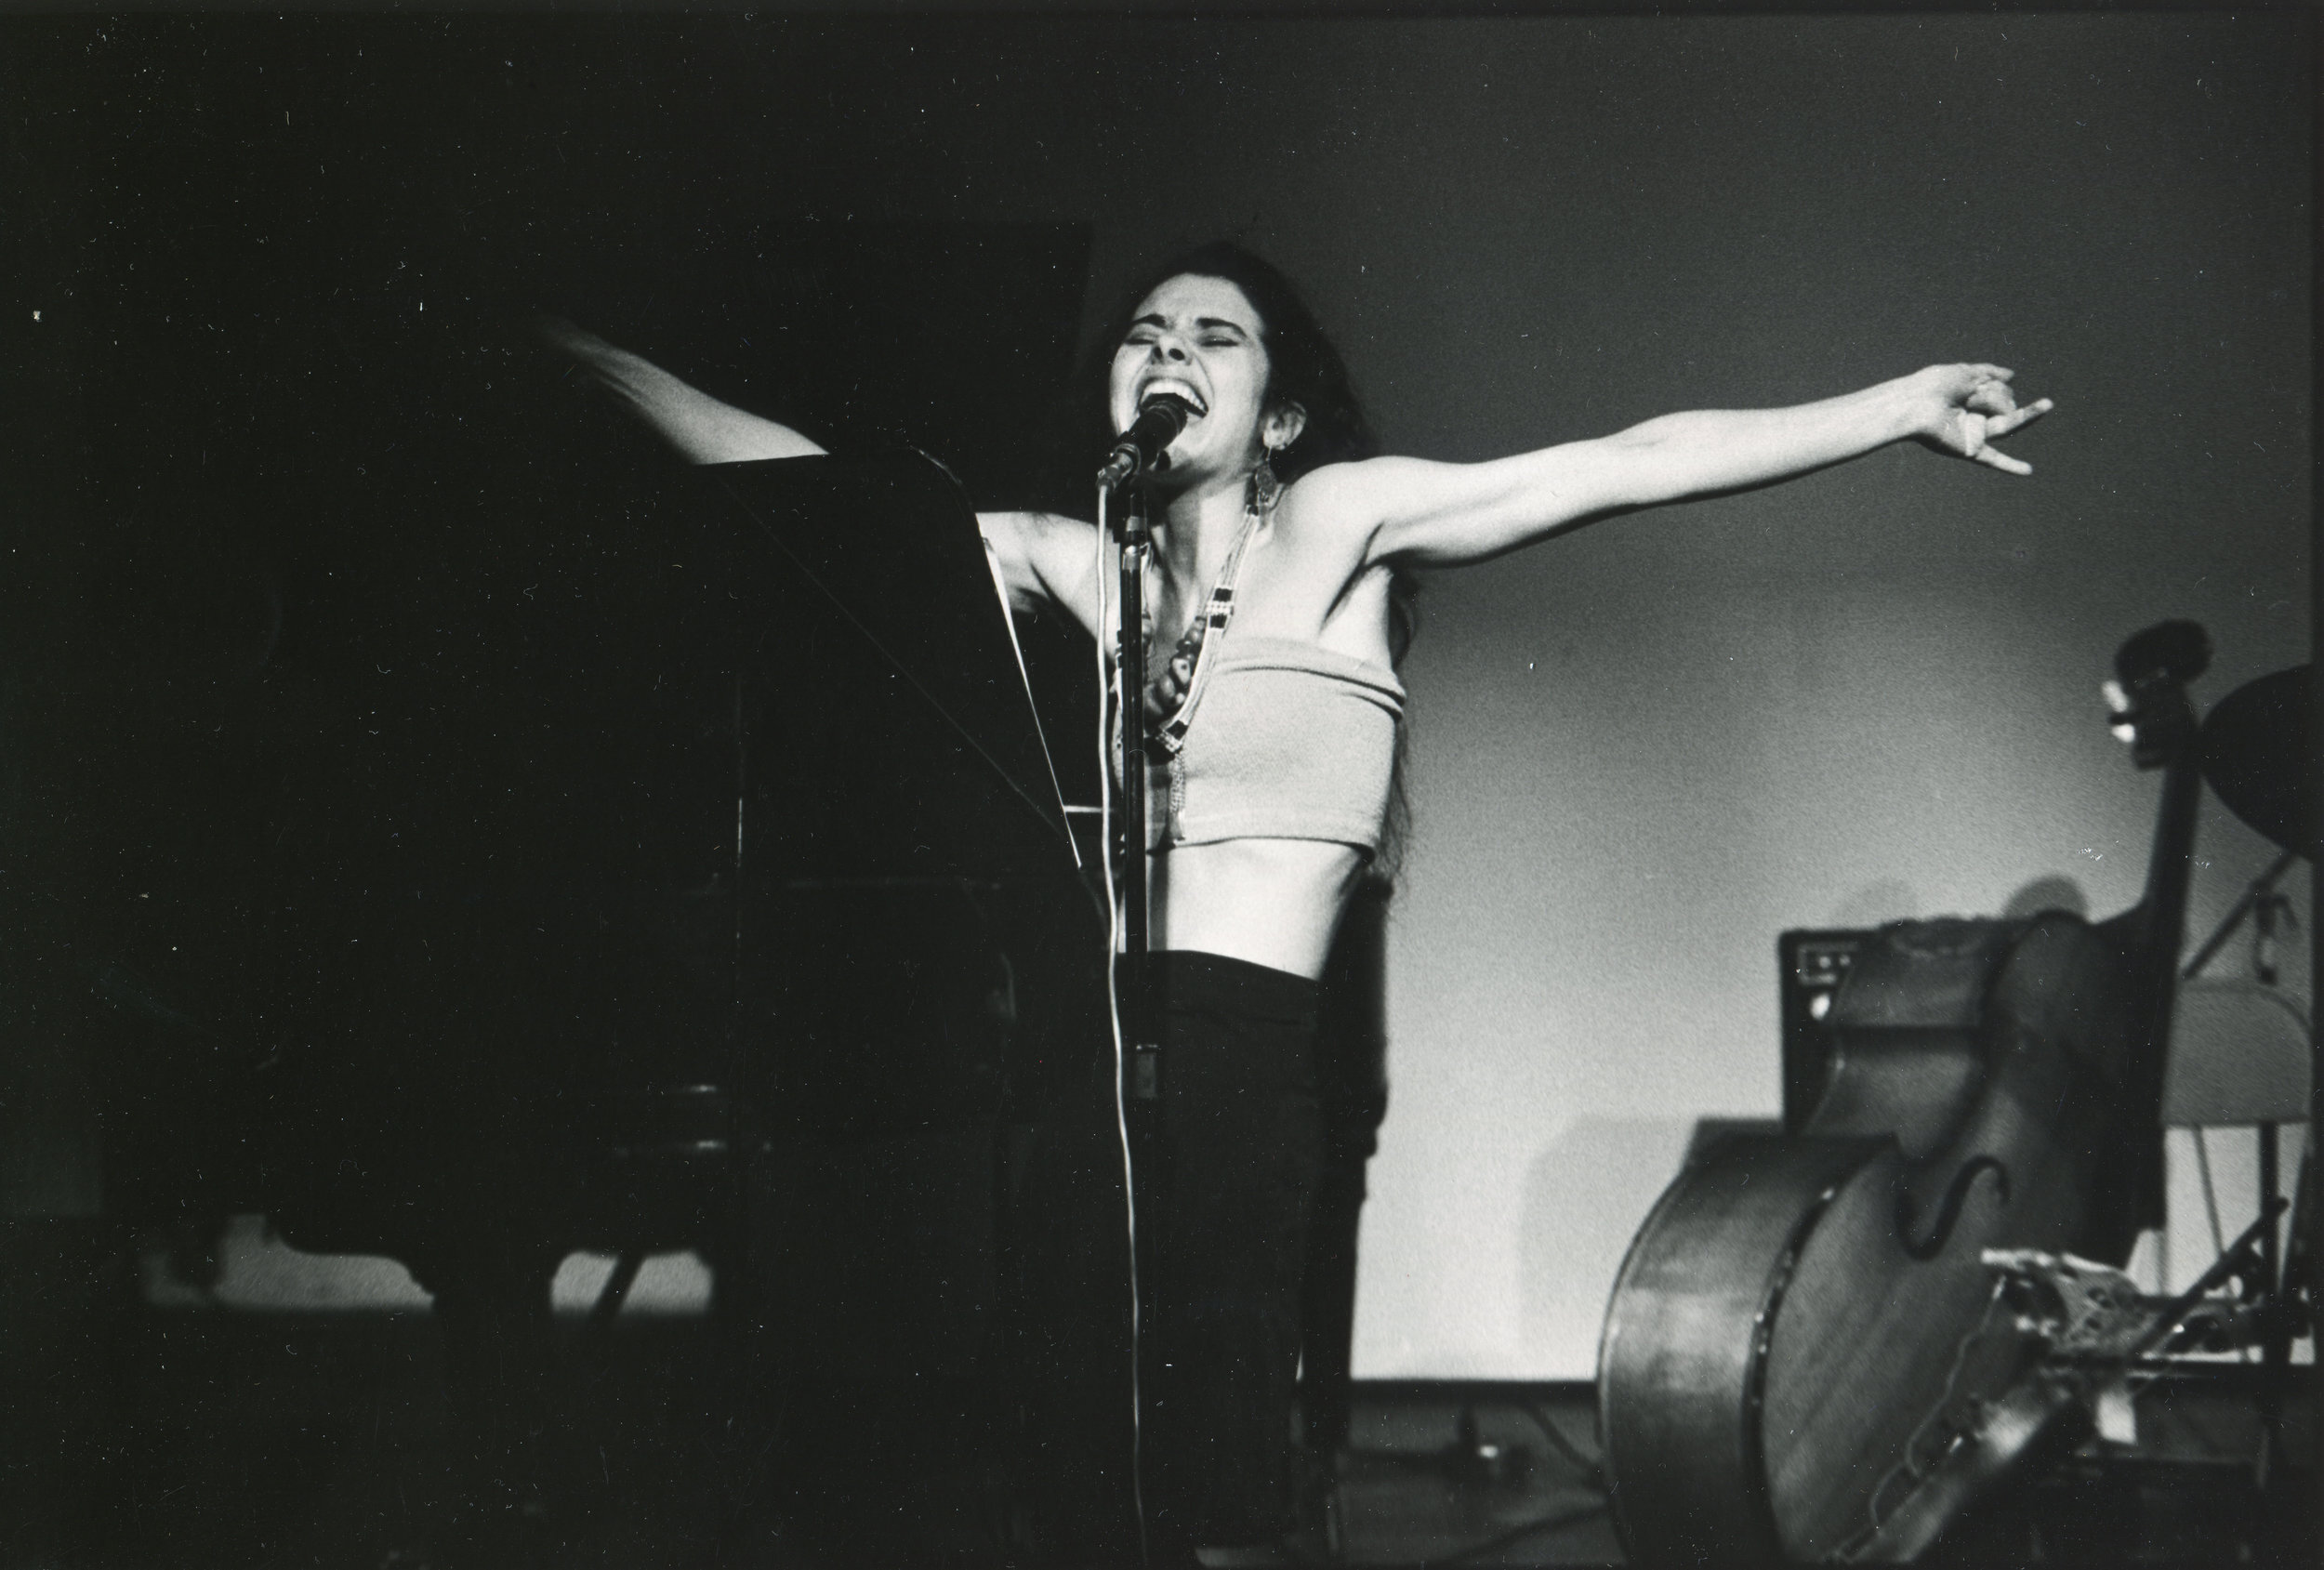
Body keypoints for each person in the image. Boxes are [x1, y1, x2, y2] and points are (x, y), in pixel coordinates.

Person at [541, 240, 2050, 1561]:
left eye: (1214, 334)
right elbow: (829, 498)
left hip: (1247, 1052)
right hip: (1081, 1061)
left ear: (1281, 410)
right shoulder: (1087, 565)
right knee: (1061, 1471)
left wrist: (1896, 408)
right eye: (1145, 332)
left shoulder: (1341, 524)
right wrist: (602, 364)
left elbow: (1631, 456)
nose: (1168, 352)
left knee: (1201, 1480)